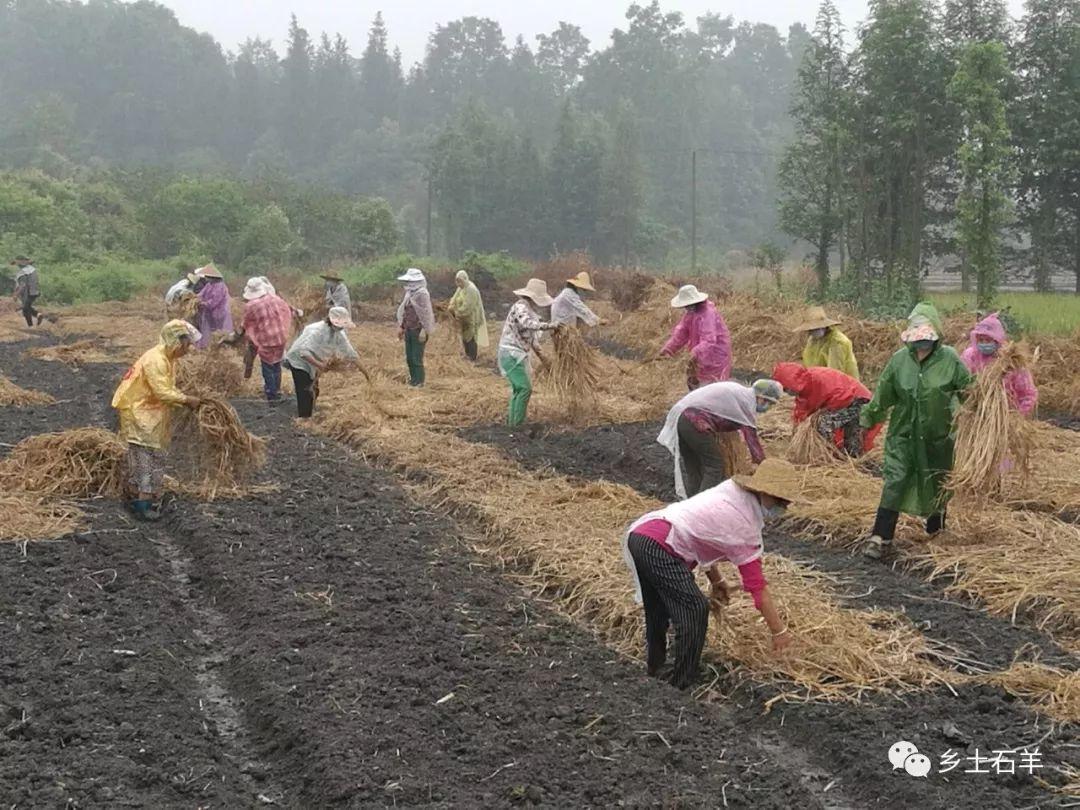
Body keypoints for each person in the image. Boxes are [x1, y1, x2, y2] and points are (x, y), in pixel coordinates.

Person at [621, 458, 800, 689]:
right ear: (763, 491)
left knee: (658, 609)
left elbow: (701, 534)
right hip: (659, 544)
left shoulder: (731, 493)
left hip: (643, 535)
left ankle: (655, 669)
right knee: (695, 609)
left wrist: (718, 580)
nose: (780, 508)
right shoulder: (743, 522)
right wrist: (779, 632)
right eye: (778, 500)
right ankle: (681, 683)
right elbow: (757, 587)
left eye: (785, 503)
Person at [860, 303, 972, 560]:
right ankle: (880, 537)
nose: (921, 344)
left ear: (936, 336)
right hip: (903, 435)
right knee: (895, 480)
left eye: (926, 339)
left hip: (938, 437)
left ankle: (936, 531)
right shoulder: (899, 361)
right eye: (917, 338)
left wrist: (987, 410)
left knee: (938, 480)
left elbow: (969, 392)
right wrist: (868, 418)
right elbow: (883, 394)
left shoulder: (950, 359)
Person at [111, 320, 202, 521]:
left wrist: (182, 399)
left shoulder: (167, 359)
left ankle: (142, 494)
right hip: (140, 412)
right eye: (187, 344)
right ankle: (143, 502)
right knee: (145, 457)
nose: (189, 348)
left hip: (150, 412)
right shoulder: (156, 360)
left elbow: (166, 390)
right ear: (176, 341)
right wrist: (187, 400)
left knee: (153, 455)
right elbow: (162, 392)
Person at [658, 379, 781, 499]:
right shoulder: (747, 403)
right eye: (768, 403)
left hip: (682, 421)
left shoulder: (741, 393)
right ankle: (701, 505)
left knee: (695, 467)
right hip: (694, 423)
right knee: (715, 465)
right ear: (760, 397)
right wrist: (766, 467)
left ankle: (690, 505)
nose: (768, 407)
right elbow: (753, 442)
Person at [772, 362, 882, 457]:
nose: (788, 393)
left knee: (825, 424)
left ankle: (829, 453)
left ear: (793, 384)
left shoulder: (819, 380)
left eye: (787, 389)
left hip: (859, 401)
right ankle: (841, 454)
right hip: (847, 403)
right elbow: (801, 410)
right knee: (847, 444)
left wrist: (822, 414)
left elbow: (842, 399)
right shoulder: (804, 386)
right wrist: (796, 432)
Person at [497, 278, 557, 427]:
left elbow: (531, 339)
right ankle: (517, 426)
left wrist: (543, 357)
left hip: (513, 354)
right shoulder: (521, 307)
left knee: (518, 389)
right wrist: (548, 326)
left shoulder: (528, 309)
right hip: (511, 353)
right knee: (525, 389)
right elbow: (527, 324)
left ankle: (511, 424)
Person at [283, 307, 361, 418]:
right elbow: (304, 353)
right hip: (299, 360)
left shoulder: (339, 333)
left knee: (315, 390)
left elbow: (349, 352)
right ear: (331, 321)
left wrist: (364, 371)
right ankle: (304, 418)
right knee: (305, 391)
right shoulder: (317, 331)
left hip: (313, 360)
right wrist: (320, 365)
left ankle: (310, 411)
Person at [228, 277, 295, 404]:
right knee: (276, 364)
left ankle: (272, 395)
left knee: (268, 367)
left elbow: (246, 323)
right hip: (280, 336)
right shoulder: (274, 298)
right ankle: (277, 391)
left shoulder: (251, 306)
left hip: (266, 340)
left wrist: (235, 336)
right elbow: (286, 309)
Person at [959, 312, 1038, 415]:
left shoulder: (1011, 360)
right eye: (981, 340)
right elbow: (961, 385)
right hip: (977, 414)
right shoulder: (970, 357)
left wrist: (1017, 416)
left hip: (1005, 416)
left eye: (988, 340)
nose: (984, 344)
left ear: (997, 340)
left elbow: (1028, 394)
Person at [660, 284, 732, 389]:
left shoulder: (708, 314)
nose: (687, 307)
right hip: (700, 355)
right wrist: (668, 349)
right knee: (695, 382)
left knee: (710, 387)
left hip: (715, 355)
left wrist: (694, 354)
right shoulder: (690, 314)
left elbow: (709, 340)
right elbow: (681, 333)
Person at [795, 306, 860, 380]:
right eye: (810, 329)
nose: (811, 332)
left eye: (814, 329)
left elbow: (835, 373)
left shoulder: (838, 342)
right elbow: (809, 363)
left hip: (843, 385)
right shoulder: (813, 340)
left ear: (823, 327)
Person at [396, 268, 437, 386]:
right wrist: (401, 327)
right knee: (409, 357)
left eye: (411, 282)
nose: (409, 284)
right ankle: (413, 380)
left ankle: (419, 382)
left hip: (419, 331)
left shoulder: (423, 294)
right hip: (409, 329)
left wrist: (424, 330)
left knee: (416, 358)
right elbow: (405, 312)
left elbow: (426, 314)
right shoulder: (409, 294)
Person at [447, 269, 488, 361]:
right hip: (463, 317)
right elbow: (454, 298)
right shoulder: (461, 288)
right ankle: (467, 355)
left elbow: (468, 306)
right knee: (464, 336)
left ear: (464, 279)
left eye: (460, 281)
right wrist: (451, 306)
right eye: (457, 281)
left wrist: (456, 313)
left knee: (471, 336)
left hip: (472, 317)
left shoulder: (471, 290)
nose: (458, 284)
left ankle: (472, 357)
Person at [193, 264, 233, 349]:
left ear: (213, 277)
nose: (206, 278)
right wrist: (195, 298)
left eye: (207, 277)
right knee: (208, 329)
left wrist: (204, 304)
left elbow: (215, 301)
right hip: (209, 312)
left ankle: (219, 346)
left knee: (219, 330)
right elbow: (201, 294)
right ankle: (207, 345)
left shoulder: (220, 286)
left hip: (219, 312)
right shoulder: (209, 285)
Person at [11, 256, 42, 327]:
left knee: (25, 309)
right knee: (27, 307)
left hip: (28, 292)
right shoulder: (32, 269)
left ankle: (30, 326)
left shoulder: (23, 272)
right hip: (35, 291)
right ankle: (38, 315)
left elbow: (22, 285)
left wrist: (16, 294)